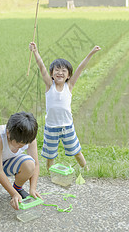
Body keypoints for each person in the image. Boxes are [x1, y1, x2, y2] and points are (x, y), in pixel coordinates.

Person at [29, 42, 101, 171]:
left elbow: (80, 68)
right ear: (51, 74)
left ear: (68, 75)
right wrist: (35, 51)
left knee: (76, 151)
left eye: (64, 71)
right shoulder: (49, 86)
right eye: (57, 70)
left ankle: (86, 169)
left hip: (67, 126)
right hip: (51, 127)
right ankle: (51, 173)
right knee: (50, 156)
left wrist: (91, 53)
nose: (60, 73)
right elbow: (41, 68)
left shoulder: (69, 86)